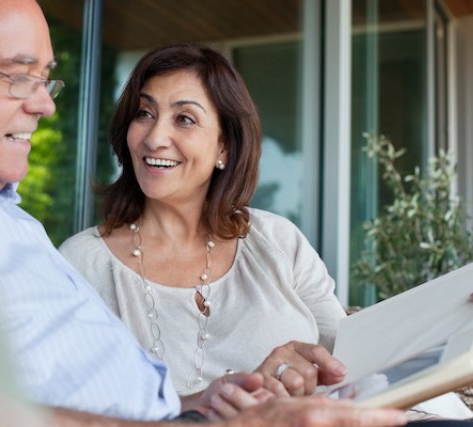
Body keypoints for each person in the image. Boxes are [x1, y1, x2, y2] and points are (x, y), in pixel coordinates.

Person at [0, 0, 409, 426]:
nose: (46, 104)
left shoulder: (8, 221)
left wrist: (206, 403)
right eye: (18, 75)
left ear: (226, 147)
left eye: (185, 119)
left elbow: (350, 353)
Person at [59, 44, 347, 398]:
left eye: (184, 119)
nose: (155, 137)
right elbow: (66, 405)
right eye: (144, 113)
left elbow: (350, 363)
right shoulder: (80, 264)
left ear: (224, 147)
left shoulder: (280, 241)